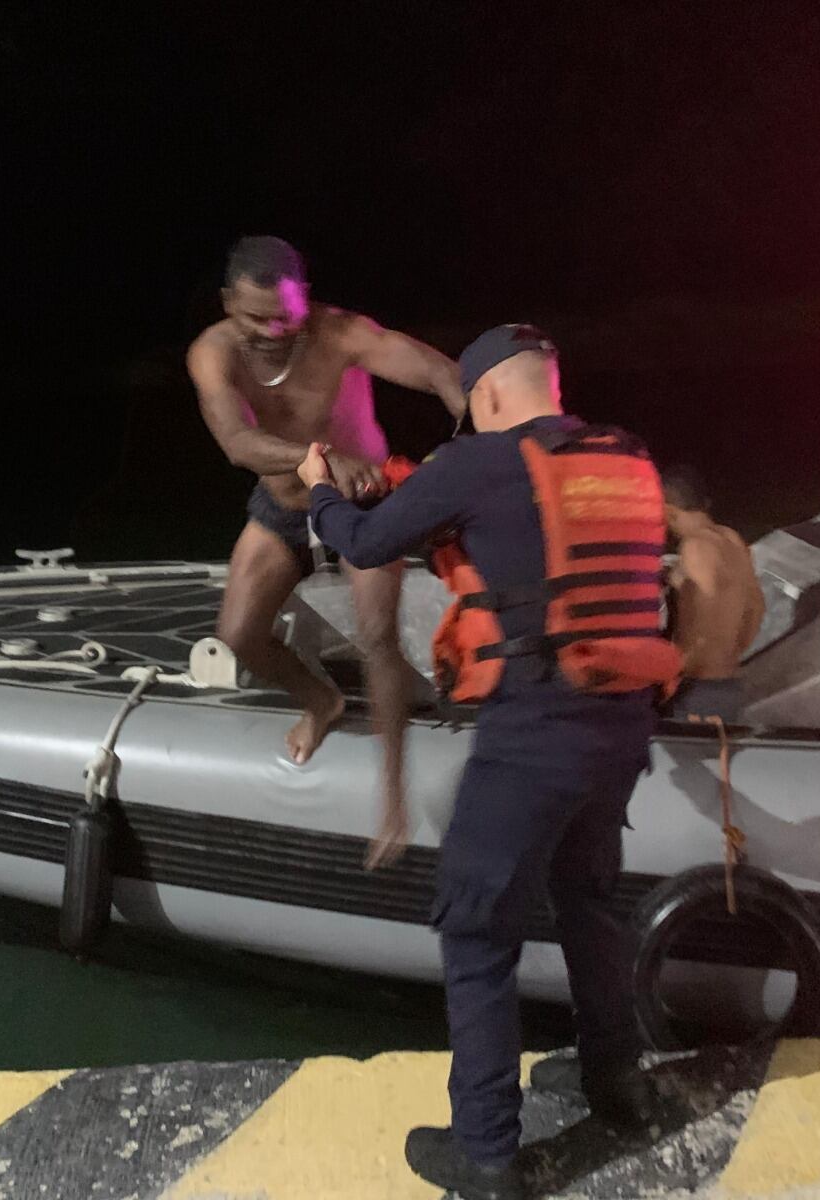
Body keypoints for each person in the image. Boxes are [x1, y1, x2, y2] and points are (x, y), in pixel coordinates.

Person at [298, 325, 677, 1200]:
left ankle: (487, 1153)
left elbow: (361, 542)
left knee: (475, 932)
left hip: (532, 737)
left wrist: (321, 490)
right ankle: (617, 1081)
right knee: (588, 903)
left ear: (490, 399)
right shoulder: (623, 457)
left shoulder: (481, 463)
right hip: (621, 727)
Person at [187, 236, 464, 867]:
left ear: (303, 302)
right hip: (285, 508)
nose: (270, 329)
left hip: (365, 507)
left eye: (284, 314)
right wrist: (317, 461)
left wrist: (470, 441)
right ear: (229, 301)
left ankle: (392, 797)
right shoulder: (213, 353)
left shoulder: (341, 334)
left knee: (377, 637)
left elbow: (442, 373)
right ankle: (323, 702)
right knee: (238, 633)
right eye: (254, 315)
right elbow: (236, 441)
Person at [660, 465, 765, 722]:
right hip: (728, 683)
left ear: (668, 510)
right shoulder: (732, 539)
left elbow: (701, 626)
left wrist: (672, 679)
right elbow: (757, 608)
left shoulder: (695, 547)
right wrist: (729, 654)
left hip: (696, 690)